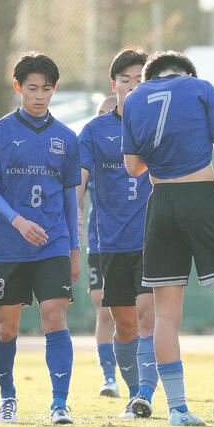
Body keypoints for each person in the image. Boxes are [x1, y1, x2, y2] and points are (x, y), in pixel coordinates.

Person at [122, 50, 214, 427]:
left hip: (160, 202)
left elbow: (133, 167)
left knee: (166, 314)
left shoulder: (134, 97)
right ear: (186, 72)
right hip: (201, 199)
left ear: (150, 76)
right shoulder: (200, 87)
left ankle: (178, 410)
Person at [0, 52, 81, 425]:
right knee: (6, 328)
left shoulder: (66, 139)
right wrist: (17, 221)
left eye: (46, 89)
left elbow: (70, 197)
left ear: (55, 90)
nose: (39, 95)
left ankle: (60, 403)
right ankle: (7, 397)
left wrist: (75, 249)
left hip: (52, 245)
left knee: (55, 317)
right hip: (7, 244)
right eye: (32, 88)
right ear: (18, 88)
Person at [78, 48, 158, 419]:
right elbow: (78, 184)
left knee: (146, 314)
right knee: (122, 324)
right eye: (125, 79)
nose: (132, 85)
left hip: (153, 238)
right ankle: (130, 389)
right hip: (109, 242)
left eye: (140, 79)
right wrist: (72, 218)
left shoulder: (159, 124)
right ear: (115, 84)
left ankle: (146, 391)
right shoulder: (94, 131)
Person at [81, 95, 120, 398]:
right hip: (100, 240)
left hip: (136, 241)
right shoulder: (90, 155)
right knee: (104, 307)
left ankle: (142, 372)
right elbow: (77, 191)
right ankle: (109, 377)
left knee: (136, 312)